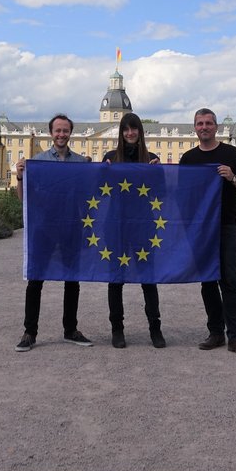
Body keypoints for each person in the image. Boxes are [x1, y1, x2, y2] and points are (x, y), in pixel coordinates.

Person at [13, 114, 94, 352]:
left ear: (71, 133)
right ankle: (30, 332)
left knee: (72, 281)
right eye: (57, 131)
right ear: (51, 133)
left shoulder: (80, 163)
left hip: (71, 227)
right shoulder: (37, 163)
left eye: (65, 131)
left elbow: (91, 194)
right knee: (36, 280)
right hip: (45, 229)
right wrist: (20, 176)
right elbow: (24, 199)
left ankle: (70, 329)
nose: (61, 134)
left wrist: (102, 170)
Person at [180, 108, 236, 357]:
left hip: (224, 225)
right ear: (195, 128)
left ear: (216, 126)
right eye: (200, 123)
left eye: (208, 123)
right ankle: (215, 332)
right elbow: (182, 193)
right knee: (208, 280)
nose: (204, 127)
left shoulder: (230, 153)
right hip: (201, 229)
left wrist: (232, 177)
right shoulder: (189, 159)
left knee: (229, 280)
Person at [101, 113, 164, 349]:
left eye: (134, 129)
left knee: (149, 279)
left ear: (140, 131)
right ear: (121, 132)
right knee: (115, 280)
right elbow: (98, 192)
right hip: (115, 225)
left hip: (143, 225)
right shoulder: (110, 158)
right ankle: (117, 329)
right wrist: (101, 173)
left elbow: (162, 194)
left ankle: (155, 329)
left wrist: (158, 174)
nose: (130, 133)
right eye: (126, 129)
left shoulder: (152, 159)